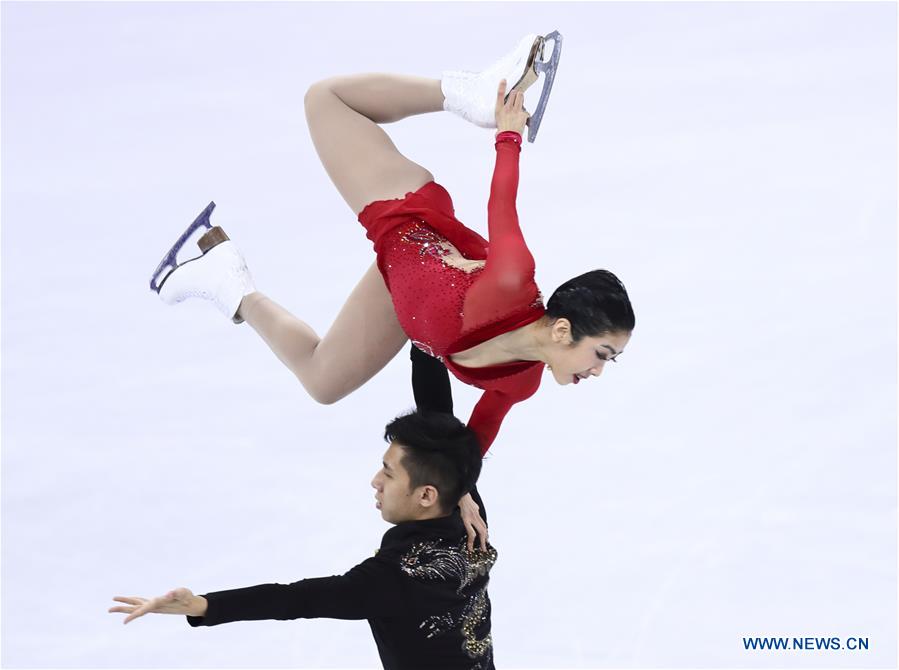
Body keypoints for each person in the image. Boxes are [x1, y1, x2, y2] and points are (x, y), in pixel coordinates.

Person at [151, 33, 634, 519]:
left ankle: (226, 280)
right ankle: (464, 92)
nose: (597, 371)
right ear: (563, 329)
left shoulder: (520, 382)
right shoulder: (511, 285)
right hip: (406, 217)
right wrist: (506, 134)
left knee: (323, 381)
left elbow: (469, 449)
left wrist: (459, 492)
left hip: (406, 293)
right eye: (602, 355)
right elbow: (501, 204)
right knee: (325, 100)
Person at [109, 349, 497, 670]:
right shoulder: (465, 509)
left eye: (389, 473)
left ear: (426, 495)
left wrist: (204, 605)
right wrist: (424, 335)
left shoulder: (393, 580)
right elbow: (438, 414)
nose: (375, 481)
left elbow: (297, 599)